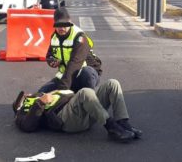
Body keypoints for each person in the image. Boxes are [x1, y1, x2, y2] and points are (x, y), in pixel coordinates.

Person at [13, 79, 143, 142]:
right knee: (85, 92)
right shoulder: (25, 108)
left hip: (83, 110)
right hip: (67, 120)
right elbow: (27, 126)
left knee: (112, 83)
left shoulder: (42, 93)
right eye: (24, 96)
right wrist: (40, 103)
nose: (27, 94)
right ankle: (112, 127)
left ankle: (124, 123)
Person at [38, 7, 102, 94]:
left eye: (64, 24)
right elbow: (49, 55)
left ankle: (89, 99)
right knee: (42, 93)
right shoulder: (54, 37)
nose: (61, 28)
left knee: (87, 73)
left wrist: (62, 89)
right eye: (58, 25)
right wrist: (52, 61)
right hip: (66, 76)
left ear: (70, 22)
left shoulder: (79, 37)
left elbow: (75, 63)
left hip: (83, 75)